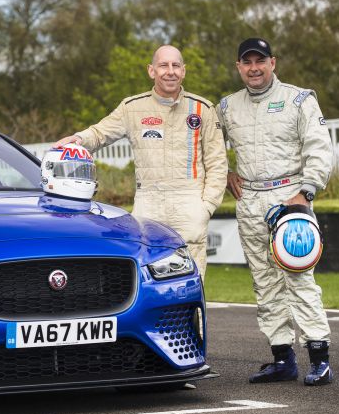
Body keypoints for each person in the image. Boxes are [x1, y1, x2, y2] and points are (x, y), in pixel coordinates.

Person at [218, 37, 334, 386]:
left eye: (261, 60)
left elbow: (319, 146)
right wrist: (224, 170)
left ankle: (320, 357)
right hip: (249, 200)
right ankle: (283, 359)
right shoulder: (226, 106)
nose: (254, 68)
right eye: (247, 62)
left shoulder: (299, 99)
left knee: (298, 278)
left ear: (273, 62)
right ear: (238, 67)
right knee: (264, 283)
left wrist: (306, 190)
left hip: (290, 198)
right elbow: (205, 145)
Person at [54, 45, 227, 277]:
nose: (170, 71)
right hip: (148, 204)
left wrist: (206, 206)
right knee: (147, 278)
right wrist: (77, 139)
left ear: (184, 71)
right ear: (151, 71)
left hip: (190, 203)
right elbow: (99, 133)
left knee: (191, 284)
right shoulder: (132, 107)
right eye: (163, 65)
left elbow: (217, 162)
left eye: (176, 66)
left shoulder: (203, 109)